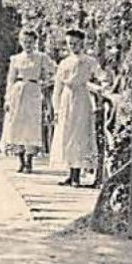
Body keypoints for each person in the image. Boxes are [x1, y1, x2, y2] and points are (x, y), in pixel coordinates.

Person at [50, 28, 108, 188]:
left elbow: (100, 74)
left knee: (79, 134)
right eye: (70, 43)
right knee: (66, 134)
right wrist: (56, 108)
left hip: (82, 99)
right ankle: (70, 173)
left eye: (75, 43)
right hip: (66, 99)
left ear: (82, 43)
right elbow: (58, 86)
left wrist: (103, 84)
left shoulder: (89, 60)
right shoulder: (64, 62)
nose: (72, 46)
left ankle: (77, 174)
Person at [2, 29, 54, 172]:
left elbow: (55, 71)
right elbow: (10, 80)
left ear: (35, 42)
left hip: (33, 91)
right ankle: (20, 159)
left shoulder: (41, 57)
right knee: (17, 124)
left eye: (30, 42)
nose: (28, 45)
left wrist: (45, 83)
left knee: (31, 125)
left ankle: (29, 159)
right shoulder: (15, 59)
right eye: (25, 42)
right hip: (17, 92)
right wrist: (7, 99)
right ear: (21, 42)